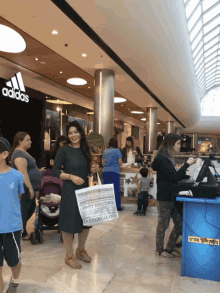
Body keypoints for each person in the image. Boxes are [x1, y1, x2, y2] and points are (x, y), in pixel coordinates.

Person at [52, 121, 99, 269]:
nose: (73, 135)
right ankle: (69, 256)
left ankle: (80, 250)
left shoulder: (86, 149)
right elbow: (55, 171)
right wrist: (70, 177)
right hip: (70, 190)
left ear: (81, 132)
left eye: (75, 132)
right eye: (70, 133)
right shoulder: (64, 150)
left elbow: (88, 170)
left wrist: (94, 168)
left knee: (86, 223)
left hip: (85, 189)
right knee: (69, 223)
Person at [151, 133, 196, 258]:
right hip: (165, 197)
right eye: (178, 144)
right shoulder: (163, 159)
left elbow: (173, 175)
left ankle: (170, 247)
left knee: (180, 223)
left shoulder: (166, 158)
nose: (180, 146)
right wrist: (187, 165)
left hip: (170, 195)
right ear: (171, 144)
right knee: (163, 224)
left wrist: (187, 176)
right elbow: (173, 177)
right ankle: (160, 250)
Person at [10, 132, 46, 239]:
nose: (30, 142)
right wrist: (30, 188)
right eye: (27, 140)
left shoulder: (23, 152)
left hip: (28, 187)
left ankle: (22, 231)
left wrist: (38, 171)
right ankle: (20, 232)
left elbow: (29, 170)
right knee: (24, 210)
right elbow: (23, 172)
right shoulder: (18, 155)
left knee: (29, 208)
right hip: (24, 187)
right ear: (20, 141)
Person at [0, 138, 24, 293]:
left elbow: (18, 197)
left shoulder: (16, 176)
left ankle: (14, 282)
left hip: (11, 226)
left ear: (4, 154)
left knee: (14, 261)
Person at [102, 138, 123, 211]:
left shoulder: (105, 151)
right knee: (116, 189)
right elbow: (120, 162)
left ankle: (107, 206)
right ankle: (117, 206)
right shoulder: (117, 151)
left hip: (105, 172)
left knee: (106, 189)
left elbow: (102, 163)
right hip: (114, 171)